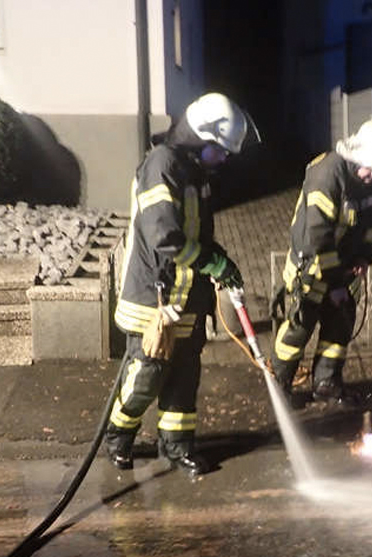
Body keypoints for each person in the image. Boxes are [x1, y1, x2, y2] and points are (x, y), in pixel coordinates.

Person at [105, 92, 258, 474]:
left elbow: (199, 237)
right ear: (198, 138)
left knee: (183, 377)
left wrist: (223, 262)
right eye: (219, 150)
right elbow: (165, 237)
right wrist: (212, 262)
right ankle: (118, 438)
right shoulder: (162, 165)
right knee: (147, 376)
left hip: (187, 298)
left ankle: (175, 446)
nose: (223, 159)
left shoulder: (195, 173)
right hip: (153, 300)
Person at [272, 116, 372, 406]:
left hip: (345, 263)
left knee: (340, 321)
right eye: (369, 170)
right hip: (313, 264)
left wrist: (366, 257)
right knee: (300, 326)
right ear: (356, 157)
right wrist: (334, 282)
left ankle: (327, 383)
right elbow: (317, 233)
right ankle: (280, 385)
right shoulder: (328, 173)